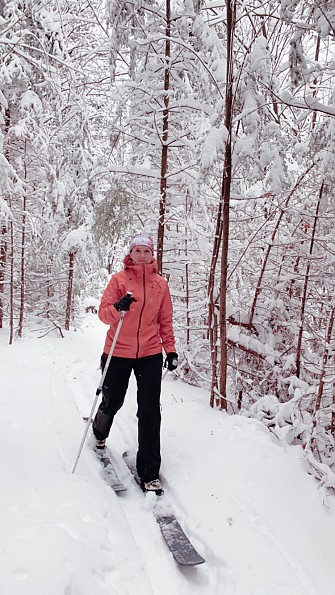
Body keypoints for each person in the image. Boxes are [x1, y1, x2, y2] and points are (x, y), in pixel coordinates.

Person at [92, 233, 178, 492]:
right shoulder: (118, 280)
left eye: (146, 251)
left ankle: (149, 472)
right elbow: (104, 315)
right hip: (118, 350)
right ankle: (99, 431)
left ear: (152, 255)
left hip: (150, 354)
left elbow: (165, 320)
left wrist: (170, 350)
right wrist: (118, 307)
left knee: (150, 410)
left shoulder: (160, 284)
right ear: (130, 254)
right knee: (114, 400)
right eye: (137, 250)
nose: (142, 255)